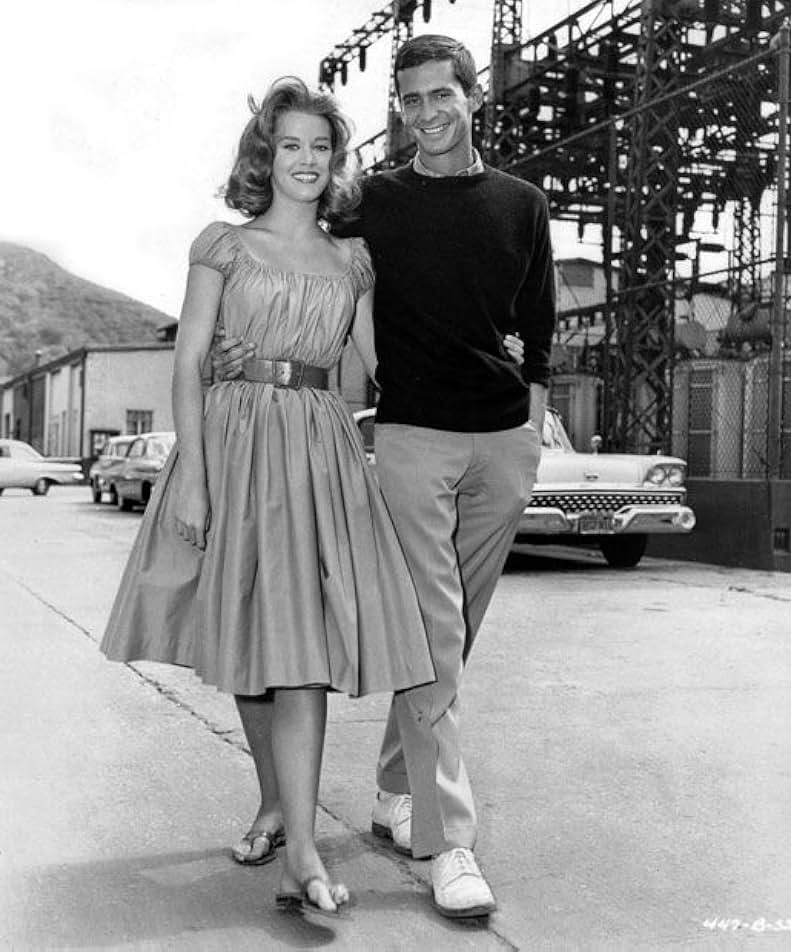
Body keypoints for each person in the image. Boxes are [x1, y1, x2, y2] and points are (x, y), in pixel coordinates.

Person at [216, 34, 556, 919]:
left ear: (474, 97)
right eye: (411, 101)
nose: (428, 113)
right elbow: (301, 259)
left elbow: (538, 319)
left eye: (443, 94)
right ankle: (450, 847)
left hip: (503, 440)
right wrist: (250, 352)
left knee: (456, 636)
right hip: (410, 437)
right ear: (398, 110)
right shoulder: (375, 203)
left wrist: (533, 416)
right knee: (434, 637)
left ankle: (396, 791)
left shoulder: (523, 203)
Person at [99, 77, 440, 916]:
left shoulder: (351, 259)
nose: (307, 160)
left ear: (336, 161)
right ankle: (279, 805)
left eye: (322, 147)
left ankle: (301, 853)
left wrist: (481, 348)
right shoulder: (223, 244)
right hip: (235, 445)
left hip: (319, 451)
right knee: (256, 648)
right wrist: (198, 479)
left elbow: (389, 359)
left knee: (303, 660)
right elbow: (188, 365)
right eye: (291, 145)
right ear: (266, 154)